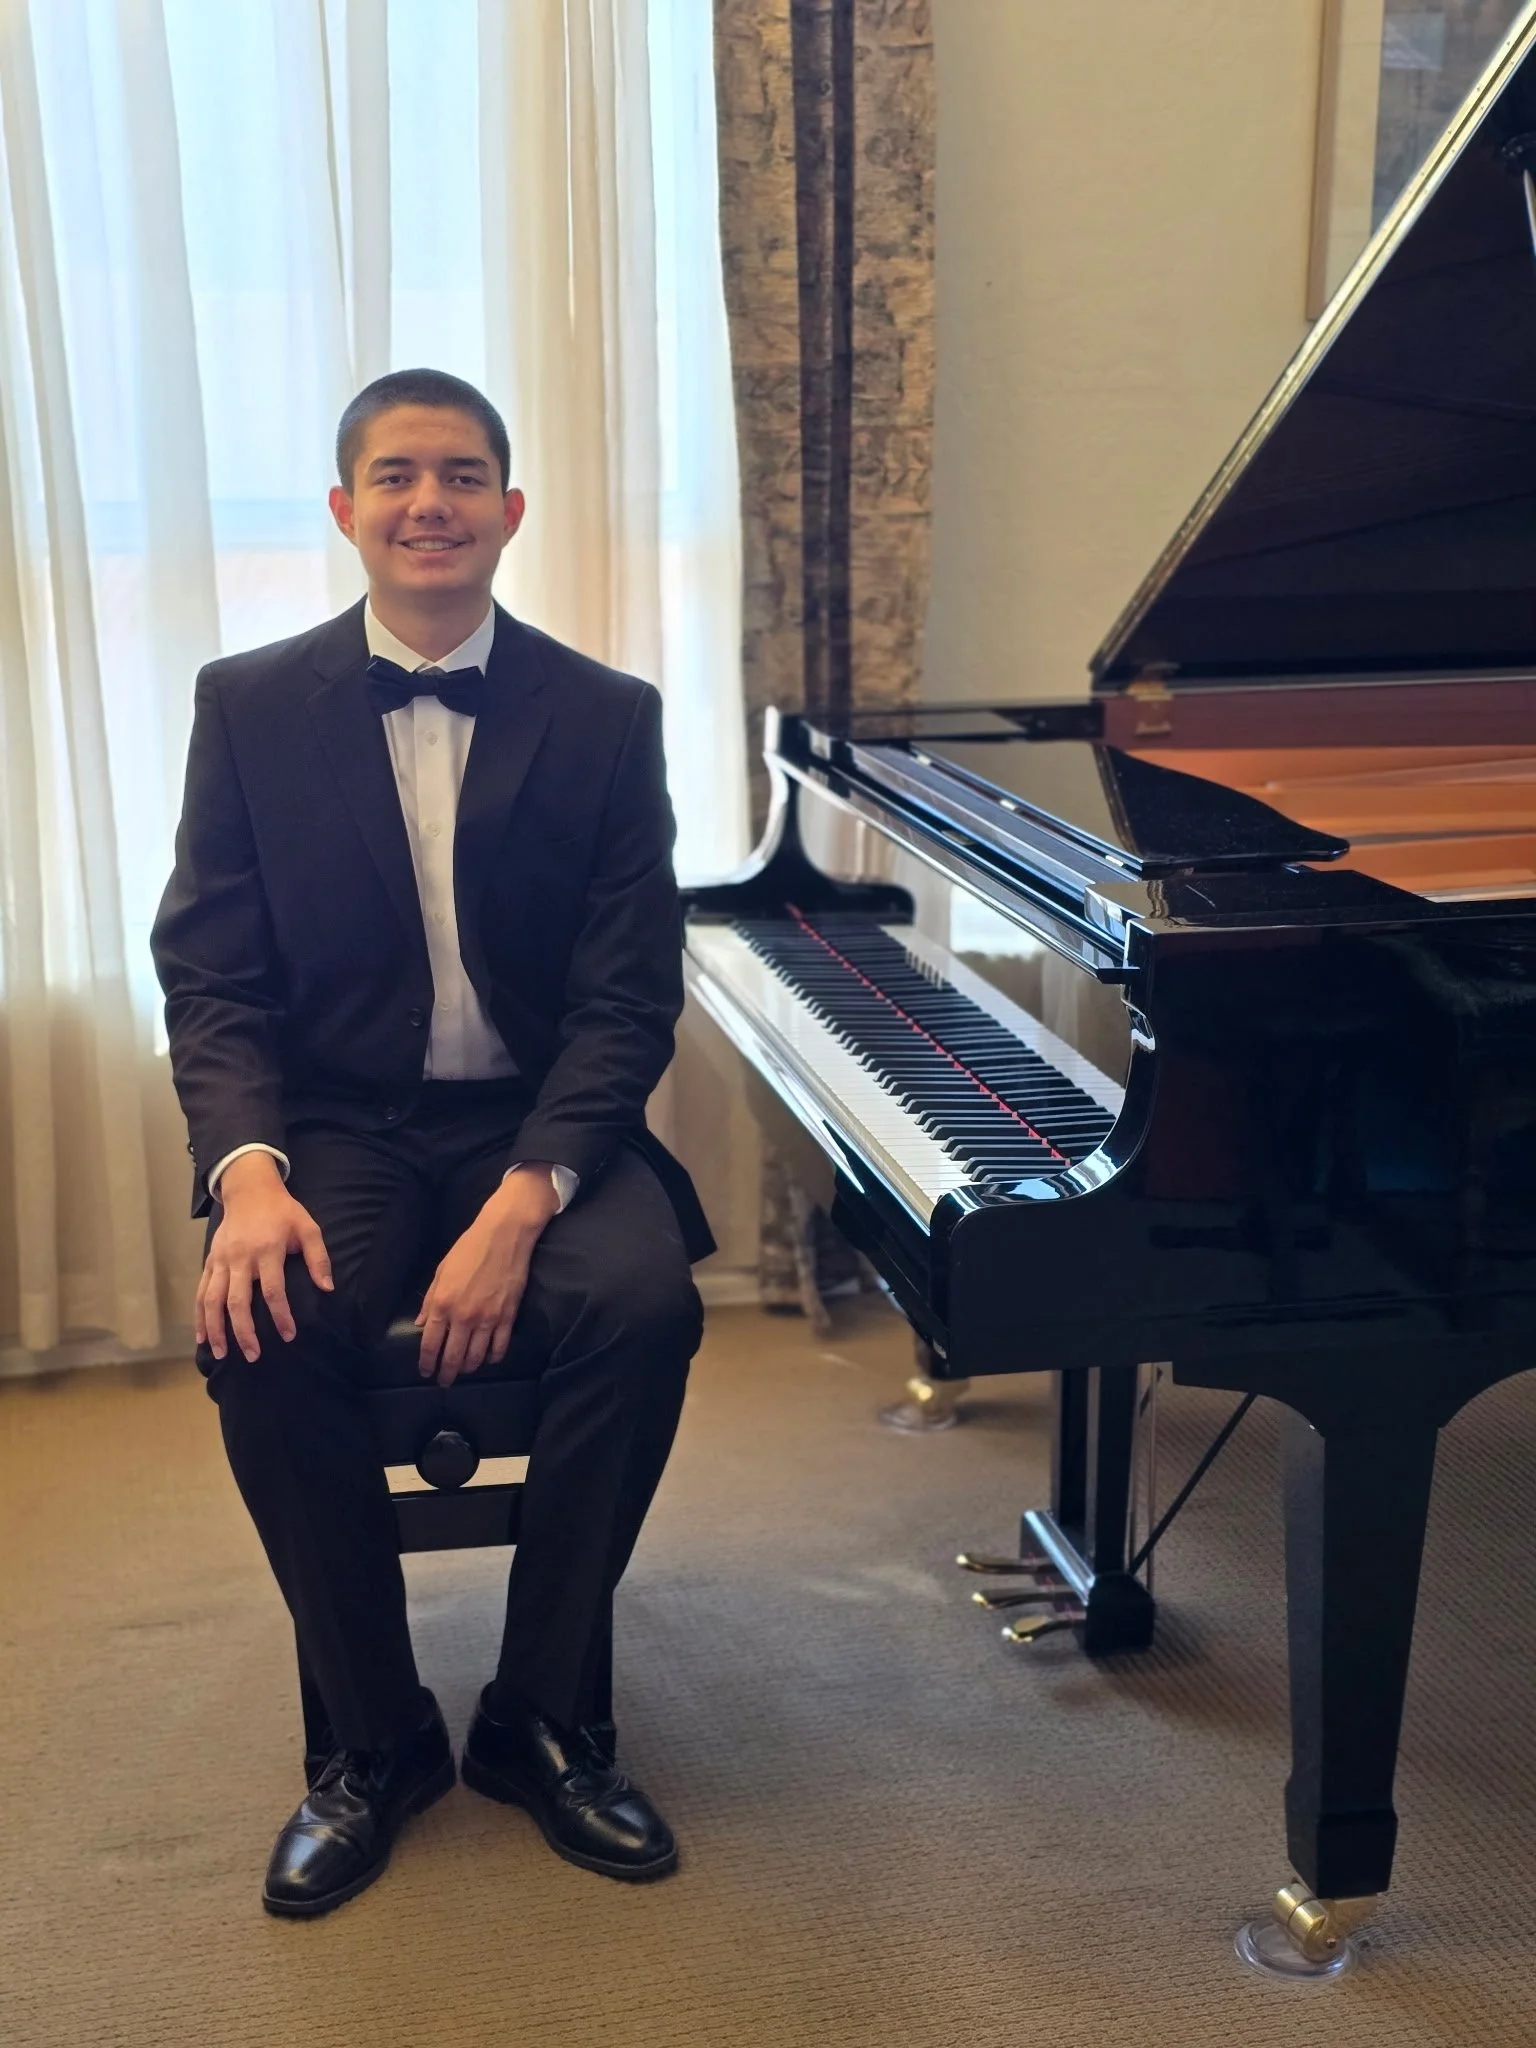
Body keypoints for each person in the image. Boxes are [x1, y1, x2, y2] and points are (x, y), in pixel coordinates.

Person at [150, 366, 713, 1918]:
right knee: (264, 1326)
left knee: (646, 1304)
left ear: (509, 512)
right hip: (337, 1124)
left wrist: (527, 1200)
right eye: (396, 477)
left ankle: (542, 1719)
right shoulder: (247, 705)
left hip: (540, 1123)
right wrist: (245, 1178)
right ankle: (374, 1739)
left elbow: (625, 1004)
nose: (430, 504)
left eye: (463, 476)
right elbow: (211, 974)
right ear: (345, 511)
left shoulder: (607, 719)